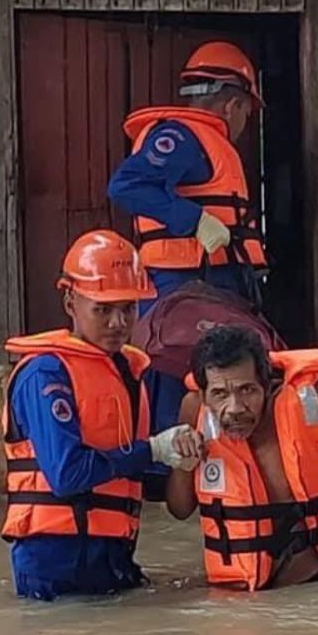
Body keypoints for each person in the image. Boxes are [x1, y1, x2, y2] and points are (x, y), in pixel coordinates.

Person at [0, 230, 204, 601]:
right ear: (70, 302)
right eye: (103, 309)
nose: (117, 323)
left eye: (128, 308)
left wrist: (186, 461)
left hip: (112, 558)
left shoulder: (129, 372)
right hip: (54, 568)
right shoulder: (46, 372)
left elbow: (131, 476)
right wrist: (155, 450)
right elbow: (67, 474)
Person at [108, 39, 269, 447]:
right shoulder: (181, 136)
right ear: (232, 105)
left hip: (214, 285)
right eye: (247, 112)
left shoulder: (203, 142)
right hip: (180, 288)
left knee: (220, 381)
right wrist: (194, 220)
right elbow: (127, 185)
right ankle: (170, 481)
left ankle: (222, 482)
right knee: (178, 382)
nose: (245, 121)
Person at [165, 326, 318, 591]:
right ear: (203, 396)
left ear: (266, 385)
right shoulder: (193, 412)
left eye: (247, 390)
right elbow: (179, 509)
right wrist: (183, 463)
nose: (235, 408)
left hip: (311, 585)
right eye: (220, 394)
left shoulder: (306, 401)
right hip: (235, 599)